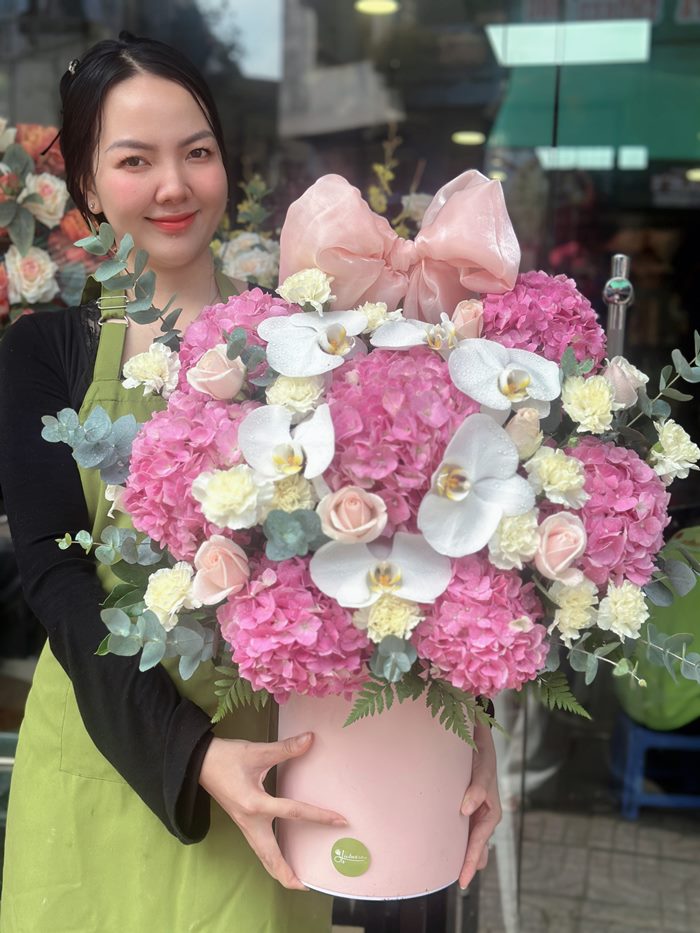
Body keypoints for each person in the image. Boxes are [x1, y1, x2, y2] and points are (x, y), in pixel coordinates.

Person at [0, 33, 501, 932]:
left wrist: (464, 730)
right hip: (101, 755)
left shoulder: (307, 346)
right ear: (83, 186)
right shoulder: (48, 353)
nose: (173, 185)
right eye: (134, 160)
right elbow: (54, 577)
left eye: (196, 152)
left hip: (272, 763)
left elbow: (411, 562)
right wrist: (190, 755)